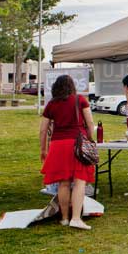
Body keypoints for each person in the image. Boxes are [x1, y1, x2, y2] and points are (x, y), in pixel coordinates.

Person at [39, 75, 95, 229]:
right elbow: (90, 123)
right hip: (77, 143)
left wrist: (43, 149)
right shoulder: (80, 100)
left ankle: (64, 217)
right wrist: (90, 138)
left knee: (63, 182)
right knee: (79, 180)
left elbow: (43, 130)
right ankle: (76, 218)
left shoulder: (51, 104)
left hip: (57, 145)